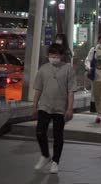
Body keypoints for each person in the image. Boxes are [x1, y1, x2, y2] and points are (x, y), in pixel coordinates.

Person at [32, 43, 76, 174]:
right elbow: (38, 89)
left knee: (58, 136)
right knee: (40, 132)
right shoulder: (43, 69)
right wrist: (34, 106)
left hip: (60, 108)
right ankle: (45, 155)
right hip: (44, 106)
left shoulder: (68, 69)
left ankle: (55, 161)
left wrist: (70, 108)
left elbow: (71, 91)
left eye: (56, 55)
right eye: (51, 55)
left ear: (61, 56)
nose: (54, 58)